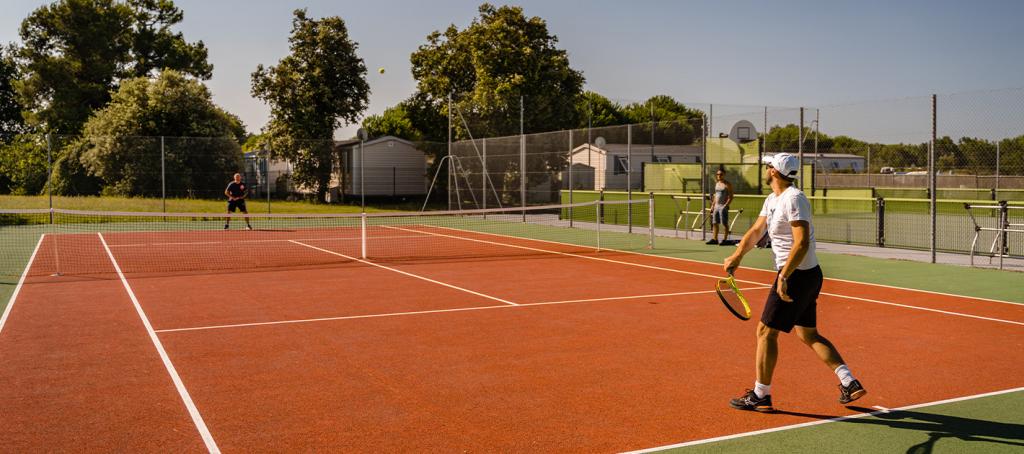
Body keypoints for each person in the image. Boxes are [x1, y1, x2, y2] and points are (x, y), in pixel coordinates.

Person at [723, 153, 865, 412]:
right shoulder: (772, 199)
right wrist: (737, 256)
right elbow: (756, 231)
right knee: (807, 333)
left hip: (796, 275)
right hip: (803, 275)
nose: (765, 169)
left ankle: (760, 395)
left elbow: (802, 242)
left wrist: (785, 276)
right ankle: (849, 382)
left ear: (775, 171)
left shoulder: (794, 198)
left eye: (768, 166)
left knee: (766, 332)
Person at [706, 169, 734, 245]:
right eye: (718, 174)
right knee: (714, 223)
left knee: (724, 223)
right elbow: (716, 195)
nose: (719, 176)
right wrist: (712, 205)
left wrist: (726, 205)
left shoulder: (727, 184)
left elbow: (731, 196)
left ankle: (725, 240)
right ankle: (715, 239)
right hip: (716, 206)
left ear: (724, 175)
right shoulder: (717, 183)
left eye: (721, 174)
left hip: (723, 207)